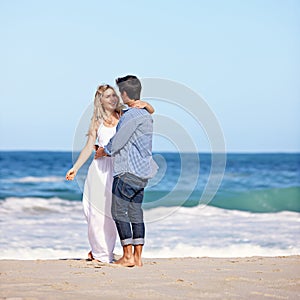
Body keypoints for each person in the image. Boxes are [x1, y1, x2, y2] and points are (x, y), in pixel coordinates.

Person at [65, 84, 154, 263]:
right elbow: (89, 147)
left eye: (114, 95)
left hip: (119, 169)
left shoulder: (125, 114)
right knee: (96, 213)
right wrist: (75, 167)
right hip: (99, 170)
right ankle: (99, 253)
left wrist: (146, 104)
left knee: (114, 214)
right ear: (100, 101)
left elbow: (149, 112)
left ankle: (112, 252)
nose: (113, 99)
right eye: (108, 96)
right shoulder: (96, 121)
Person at [97, 75, 158, 267]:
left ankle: (127, 256)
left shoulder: (130, 116)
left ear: (124, 93)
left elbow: (117, 143)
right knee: (135, 213)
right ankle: (137, 258)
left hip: (127, 171)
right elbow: (148, 111)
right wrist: (148, 105)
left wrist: (103, 150)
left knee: (119, 211)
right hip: (142, 172)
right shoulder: (144, 114)